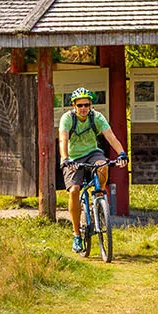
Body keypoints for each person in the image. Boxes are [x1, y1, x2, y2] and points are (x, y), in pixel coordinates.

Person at [58, 86, 127, 252]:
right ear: (74, 106)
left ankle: (99, 195)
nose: (83, 108)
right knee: (74, 190)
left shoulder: (97, 117)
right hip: (73, 158)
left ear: (91, 105)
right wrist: (66, 159)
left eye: (86, 105)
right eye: (80, 105)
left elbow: (110, 136)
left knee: (102, 166)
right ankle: (76, 235)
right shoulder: (67, 118)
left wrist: (122, 154)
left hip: (92, 153)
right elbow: (63, 139)